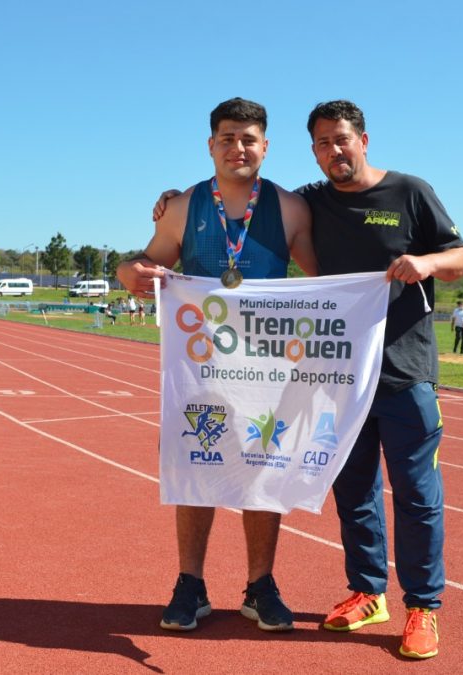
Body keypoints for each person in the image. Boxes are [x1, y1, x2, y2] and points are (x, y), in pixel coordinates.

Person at [117, 97, 316, 634]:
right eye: (227, 138)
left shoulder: (292, 209)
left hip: (267, 373)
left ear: (266, 147)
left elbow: (327, 287)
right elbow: (147, 260)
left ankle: (261, 585)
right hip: (199, 373)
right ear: (211, 145)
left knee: (264, 474)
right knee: (193, 472)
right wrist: (126, 271)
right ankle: (190, 584)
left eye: (249, 139)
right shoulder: (183, 207)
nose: (238, 148)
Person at [298, 100, 463, 660]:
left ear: (364, 140)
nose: (333, 151)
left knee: (418, 495)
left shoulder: (410, 192)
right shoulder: (310, 201)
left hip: (404, 375)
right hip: (341, 378)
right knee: (354, 492)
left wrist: (426, 263)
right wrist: (180, 197)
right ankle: (368, 592)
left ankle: (423, 606)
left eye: (341, 139)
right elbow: (245, 201)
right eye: (322, 143)